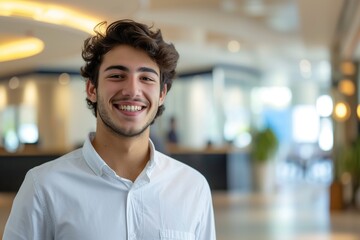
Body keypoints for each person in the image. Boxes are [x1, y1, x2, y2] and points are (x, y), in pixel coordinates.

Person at [3, 19, 216, 240]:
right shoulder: (43, 187)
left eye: (146, 78)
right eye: (116, 75)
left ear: (161, 94)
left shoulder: (193, 187)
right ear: (92, 89)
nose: (132, 90)